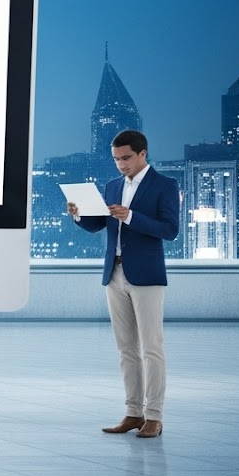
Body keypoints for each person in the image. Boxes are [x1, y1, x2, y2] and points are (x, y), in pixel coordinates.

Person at [69, 128, 181, 438]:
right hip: (114, 273)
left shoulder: (165, 185)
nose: (121, 165)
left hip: (146, 275)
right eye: (117, 159)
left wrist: (131, 216)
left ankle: (154, 416)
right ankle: (133, 412)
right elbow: (97, 225)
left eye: (126, 158)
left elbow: (170, 229)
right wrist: (79, 215)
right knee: (126, 350)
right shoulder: (112, 185)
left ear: (143, 153)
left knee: (152, 348)